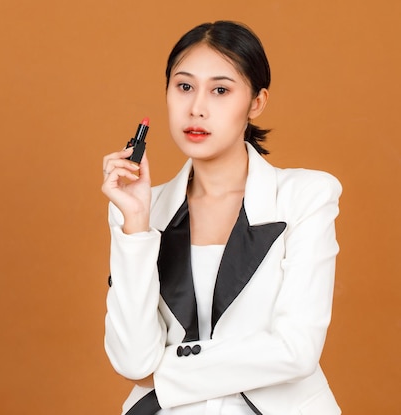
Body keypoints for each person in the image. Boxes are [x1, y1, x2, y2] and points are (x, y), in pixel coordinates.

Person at [101, 21, 342, 415]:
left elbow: (296, 351)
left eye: (220, 90)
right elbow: (132, 361)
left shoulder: (305, 196)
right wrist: (135, 225)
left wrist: (161, 373)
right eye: (184, 86)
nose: (197, 107)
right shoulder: (143, 208)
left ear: (256, 102)